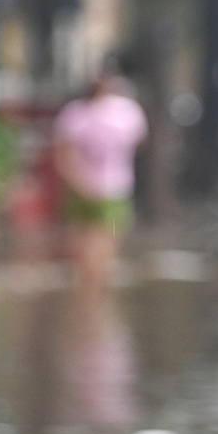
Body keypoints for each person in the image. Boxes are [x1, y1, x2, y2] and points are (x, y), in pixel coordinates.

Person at [52, 64, 148, 283]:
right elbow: (64, 153)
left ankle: (92, 287)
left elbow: (62, 154)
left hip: (102, 186)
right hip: (100, 187)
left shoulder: (81, 114)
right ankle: (94, 287)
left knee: (96, 240)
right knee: (93, 240)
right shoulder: (82, 114)